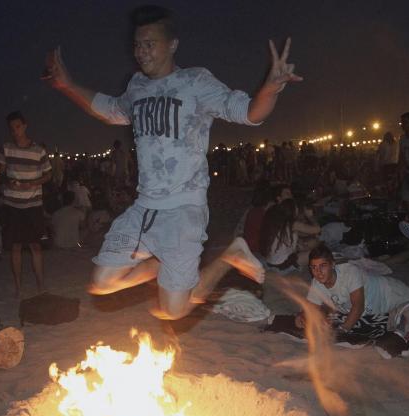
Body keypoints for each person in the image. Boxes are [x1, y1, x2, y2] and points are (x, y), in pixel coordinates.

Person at [43, 5, 301, 319]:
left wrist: (271, 88)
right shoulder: (136, 86)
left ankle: (230, 254)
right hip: (144, 209)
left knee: (173, 312)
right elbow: (108, 107)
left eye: (149, 44)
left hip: (183, 211)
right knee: (102, 283)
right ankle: (164, 264)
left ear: (172, 45)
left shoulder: (195, 82)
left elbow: (249, 112)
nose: (141, 52)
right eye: (137, 45)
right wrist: (68, 85)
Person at [297, 244, 409, 342]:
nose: (318, 272)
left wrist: (342, 331)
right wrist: (302, 317)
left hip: (390, 293)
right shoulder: (317, 282)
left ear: (332, 264)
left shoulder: (349, 272)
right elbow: (310, 308)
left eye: (323, 266)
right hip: (381, 311)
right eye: (313, 267)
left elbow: (358, 307)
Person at [0, 111, 52, 298]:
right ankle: (18, 287)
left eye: (18, 127)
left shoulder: (38, 150)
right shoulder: (6, 148)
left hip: (33, 203)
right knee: (16, 246)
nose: (15, 131)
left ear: (25, 126)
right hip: (12, 204)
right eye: (12, 129)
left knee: (36, 246)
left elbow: (48, 174)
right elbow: (0, 173)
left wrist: (34, 183)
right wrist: (7, 181)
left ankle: (41, 285)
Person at [259, 198, 320, 270]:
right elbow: (317, 229)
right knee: (316, 252)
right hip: (282, 264)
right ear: (293, 210)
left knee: (306, 244)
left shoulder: (279, 222)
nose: (298, 209)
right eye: (296, 207)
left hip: (270, 262)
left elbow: (298, 235)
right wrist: (310, 216)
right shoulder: (293, 224)